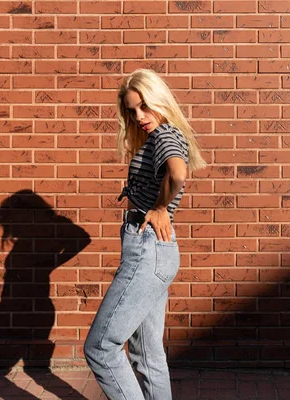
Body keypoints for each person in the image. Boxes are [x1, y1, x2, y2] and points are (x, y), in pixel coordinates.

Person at [84, 69, 206, 400]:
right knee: (147, 355)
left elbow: (177, 173)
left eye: (144, 106)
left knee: (101, 348)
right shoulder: (165, 135)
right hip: (156, 252)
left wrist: (160, 207)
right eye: (132, 110)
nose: (139, 116)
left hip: (148, 250)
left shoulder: (165, 134)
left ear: (159, 100)